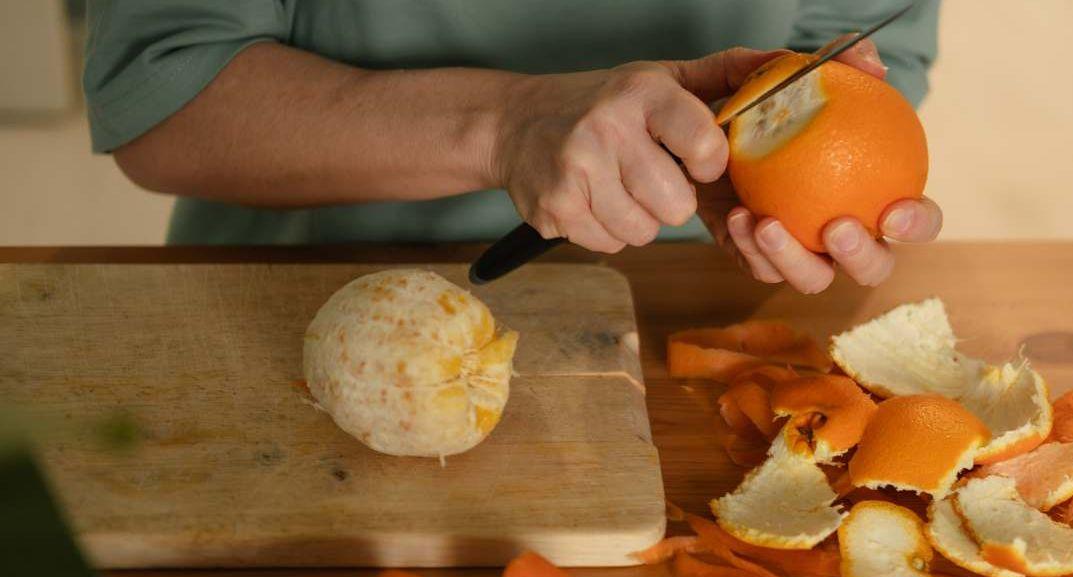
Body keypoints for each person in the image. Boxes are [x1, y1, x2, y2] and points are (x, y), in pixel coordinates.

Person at [83, 0, 942, 294]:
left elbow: (868, 57)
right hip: (306, 292)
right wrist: (509, 126)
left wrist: (811, 198)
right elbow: (162, 99)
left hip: (689, 311)